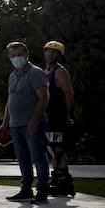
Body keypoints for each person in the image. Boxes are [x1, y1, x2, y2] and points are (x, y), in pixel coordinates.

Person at [3, 41, 50, 205]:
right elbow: (10, 100)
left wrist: (35, 120)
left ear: (27, 55)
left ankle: (43, 191)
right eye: (13, 55)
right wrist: (5, 122)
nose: (16, 58)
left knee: (38, 157)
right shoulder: (12, 75)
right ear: (9, 57)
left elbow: (44, 97)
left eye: (19, 54)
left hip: (32, 124)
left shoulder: (35, 72)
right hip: (15, 125)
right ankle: (26, 190)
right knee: (22, 158)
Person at [42, 40, 75, 172]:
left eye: (54, 52)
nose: (50, 54)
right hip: (46, 117)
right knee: (50, 149)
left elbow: (69, 94)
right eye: (48, 51)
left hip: (57, 117)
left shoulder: (60, 71)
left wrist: (66, 113)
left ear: (59, 56)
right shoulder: (44, 73)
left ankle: (63, 179)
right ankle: (57, 176)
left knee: (58, 149)